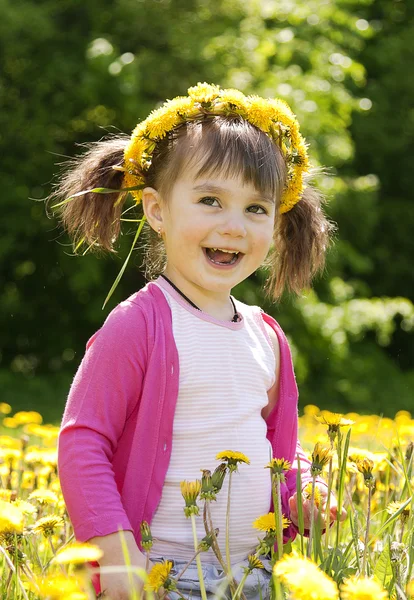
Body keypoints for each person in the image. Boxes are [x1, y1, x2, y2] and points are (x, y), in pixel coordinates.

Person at [53, 83, 346, 600]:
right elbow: (83, 441)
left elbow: (275, 444)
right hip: (162, 577)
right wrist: (115, 552)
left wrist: (303, 489)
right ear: (158, 210)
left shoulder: (267, 336)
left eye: (256, 209)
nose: (233, 226)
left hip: (256, 573)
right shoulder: (139, 325)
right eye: (211, 200)